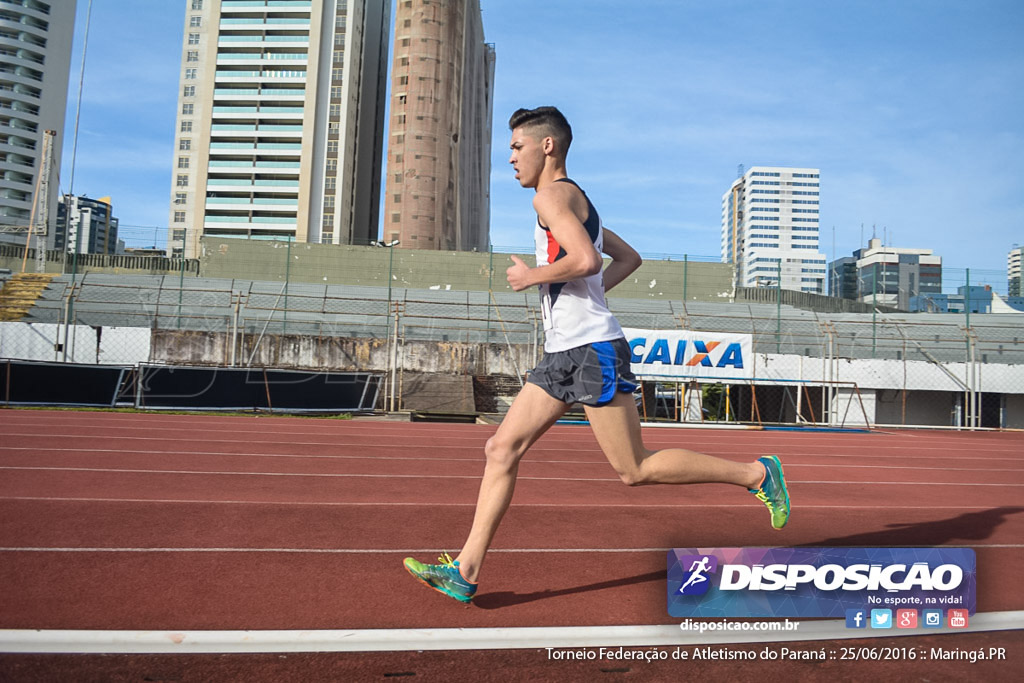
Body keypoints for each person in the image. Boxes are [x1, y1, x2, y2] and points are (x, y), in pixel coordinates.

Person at [403, 106, 789, 604]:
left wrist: (532, 278)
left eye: (517, 147)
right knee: (501, 449)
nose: (511, 159)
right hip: (563, 352)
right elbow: (626, 259)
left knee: (634, 469)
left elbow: (585, 260)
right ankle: (466, 569)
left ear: (548, 146)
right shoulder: (574, 199)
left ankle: (759, 474)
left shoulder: (551, 197)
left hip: (590, 351)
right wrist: (590, 293)